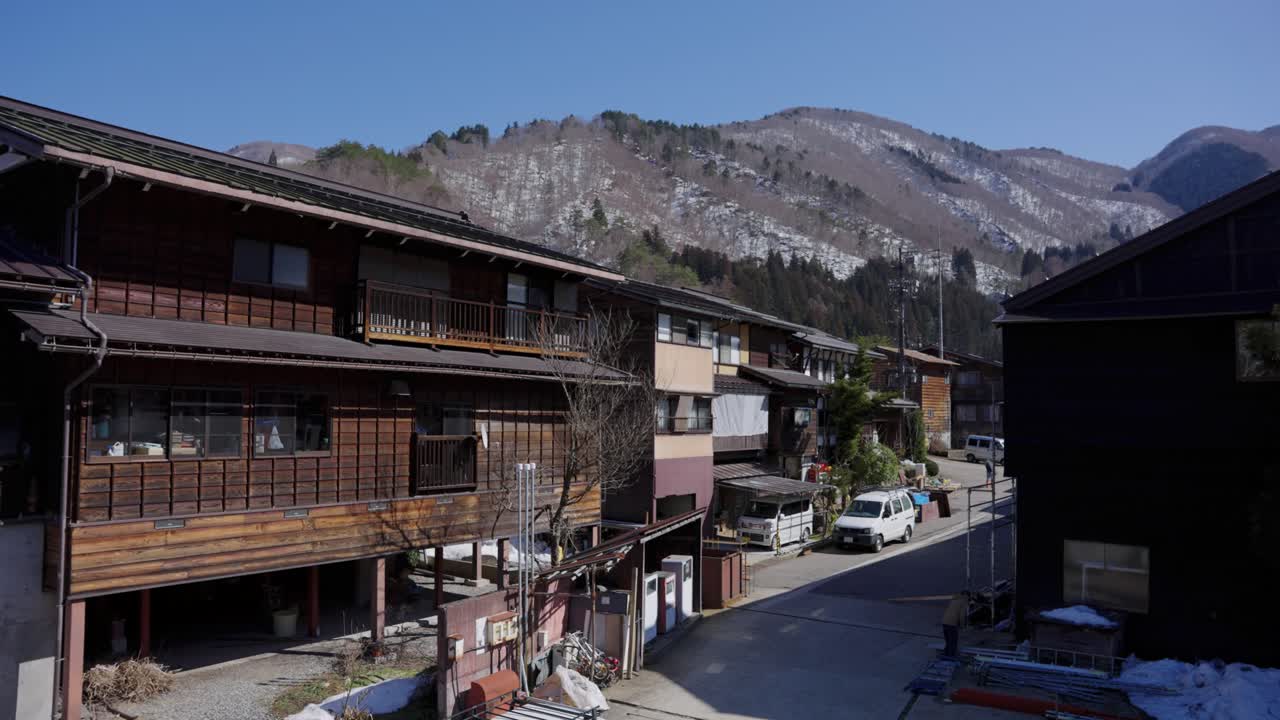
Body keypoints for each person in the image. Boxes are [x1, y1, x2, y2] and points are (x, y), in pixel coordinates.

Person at [941, 591, 969, 658]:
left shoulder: (954, 600)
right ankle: (951, 657)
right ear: (967, 596)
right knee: (953, 641)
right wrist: (962, 626)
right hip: (952, 624)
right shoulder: (964, 602)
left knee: (948, 641)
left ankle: (946, 654)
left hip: (944, 622)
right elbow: (962, 616)